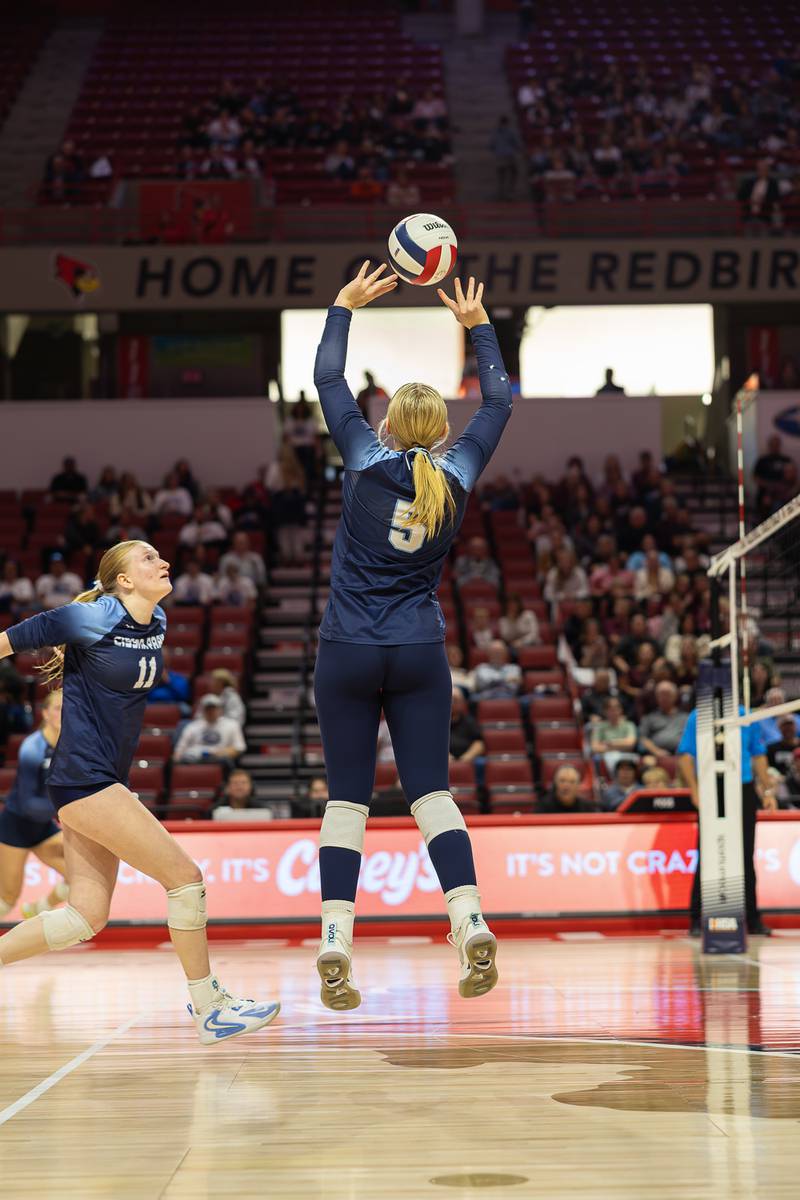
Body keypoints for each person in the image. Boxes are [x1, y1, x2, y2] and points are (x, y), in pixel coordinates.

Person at [312, 264, 511, 1010]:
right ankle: (468, 919)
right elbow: (498, 398)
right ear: (444, 432)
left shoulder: (364, 459)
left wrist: (344, 305)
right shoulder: (457, 472)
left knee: (348, 801)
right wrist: (477, 325)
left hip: (350, 650)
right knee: (433, 793)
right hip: (419, 650)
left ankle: (336, 937)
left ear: (389, 424)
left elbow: (328, 377)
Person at [0, 540, 278, 1043]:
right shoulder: (90, 616)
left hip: (97, 779)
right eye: (148, 558)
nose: (163, 561)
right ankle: (210, 1007)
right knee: (185, 878)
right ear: (123, 580)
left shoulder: (158, 622)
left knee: (85, 916)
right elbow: (9, 640)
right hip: (86, 779)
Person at [678, 703, 777, 937]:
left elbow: (758, 754)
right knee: (708, 852)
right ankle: (697, 918)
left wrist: (768, 791)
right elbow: (684, 755)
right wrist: (695, 790)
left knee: (745, 855)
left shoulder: (746, 716)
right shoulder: (699, 715)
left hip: (742, 787)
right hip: (713, 786)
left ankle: (752, 919)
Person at [0, 690, 70, 923]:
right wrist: (71, 806)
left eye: (68, 707)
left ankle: (38, 909)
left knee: (79, 876)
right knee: (7, 900)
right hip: (16, 827)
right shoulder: (32, 747)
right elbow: (29, 804)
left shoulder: (72, 746)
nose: (64, 713)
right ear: (46, 713)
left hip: (43, 828)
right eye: (58, 708)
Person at [173, 694, 246, 765]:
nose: (211, 712)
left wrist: (221, 753)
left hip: (219, 759)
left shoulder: (232, 725)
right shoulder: (192, 726)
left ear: (220, 709)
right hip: (194, 759)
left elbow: (239, 748)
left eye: (214, 708)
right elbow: (179, 750)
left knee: (225, 761)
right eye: (208, 709)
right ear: (203, 710)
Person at [638, 680, 687, 758]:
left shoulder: (686, 717)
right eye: (661, 694)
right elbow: (643, 738)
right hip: (655, 756)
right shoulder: (649, 717)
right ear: (656, 697)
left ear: (675, 696)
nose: (664, 697)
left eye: (667, 694)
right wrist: (656, 751)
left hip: (682, 755)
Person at [590, 695, 638, 773]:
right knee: (612, 756)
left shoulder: (629, 725)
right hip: (607, 757)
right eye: (610, 709)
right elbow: (595, 747)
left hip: (626, 756)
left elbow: (631, 744)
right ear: (605, 711)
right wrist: (621, 745)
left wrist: (609, 743)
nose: (614, 711)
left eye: (617, 708)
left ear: (621, 710)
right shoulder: (599, 726)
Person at [450, 687, 485, 764]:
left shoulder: (469, 721)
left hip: (468, 759)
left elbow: (479, 743)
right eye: (450, 700)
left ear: (462, 702)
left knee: (481, 763)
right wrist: (445, 756)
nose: (452, 703)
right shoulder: (439, 724)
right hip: (445, 759)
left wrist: (466, 757)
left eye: (455, 700)